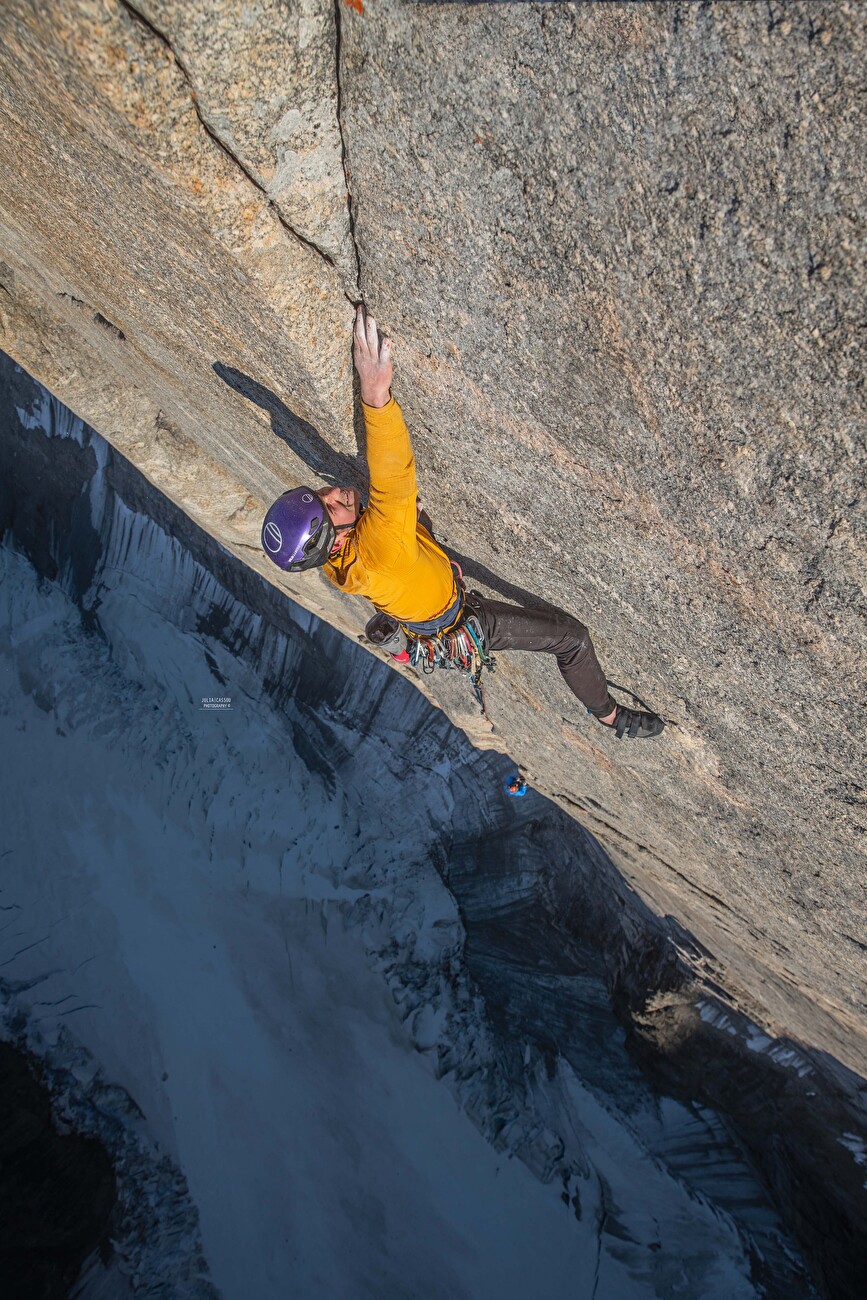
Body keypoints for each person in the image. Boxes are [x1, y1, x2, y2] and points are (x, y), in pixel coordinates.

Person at [261, 307, 663, 741]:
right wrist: (375, 394)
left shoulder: (333, 558)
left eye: (320, 494)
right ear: (334, 541)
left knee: (411, 518)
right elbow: (393, 476)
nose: (334, 492)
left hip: (419, 613)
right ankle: (609, 717)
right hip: (460, 622)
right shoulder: (380, 546)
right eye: (330, 507)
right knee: (571, 639)